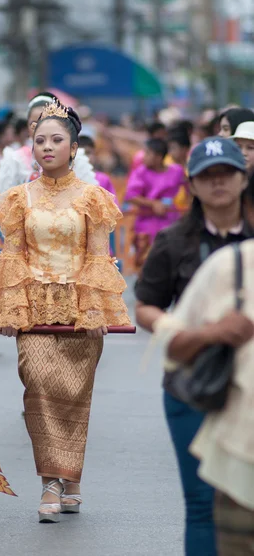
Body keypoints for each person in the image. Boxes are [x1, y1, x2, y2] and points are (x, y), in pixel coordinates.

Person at [0, 99, 130, 523]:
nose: (47, 147)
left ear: (73, 147)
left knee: (73, 395)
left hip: (78, 311)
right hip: (33, 310)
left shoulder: (93, 198)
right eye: (39, 140)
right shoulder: (18, 198)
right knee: (37, 389)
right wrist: (10, 309)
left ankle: (71, 478)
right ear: (30, 146)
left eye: (56, 140)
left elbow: (97, 258)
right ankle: (49, 481)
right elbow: (11, 256)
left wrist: (93, 311)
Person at [135, 137, 252, 556]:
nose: (218, 182)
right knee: (202, 502)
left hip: (249, 388)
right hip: (193, 385)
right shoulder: (174, 241)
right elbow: (145, 306)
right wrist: (191, 333)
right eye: (207, 175)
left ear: (243, 178)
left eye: (227, 173)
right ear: (193, 185)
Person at [156, 240, 254, 555]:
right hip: (237, 440)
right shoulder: (231, 264)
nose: (218, 186)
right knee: (202, 505)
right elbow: (174, 347)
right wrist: (212, 333)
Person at [0, 92, 97, 192]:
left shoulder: (76, 157)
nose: (40, 127)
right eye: (34, 123)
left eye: (44, 121)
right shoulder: (15, 159)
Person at [124, 138, 186, 269]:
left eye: (147, 153)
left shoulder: (176, 171)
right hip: (145, 223)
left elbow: (190, 186)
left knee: (171, 258)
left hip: (169, 220)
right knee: (145, 261)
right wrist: (154, 204)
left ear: (159, 157)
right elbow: (130, 195)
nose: (144, 157)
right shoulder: (141, 172)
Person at [79, 135, 118, 200]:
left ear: (95, 155)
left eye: (88, 153)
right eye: (80, 153)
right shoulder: (66, 178)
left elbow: (113, 205)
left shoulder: (103, 179)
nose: (84, 157)